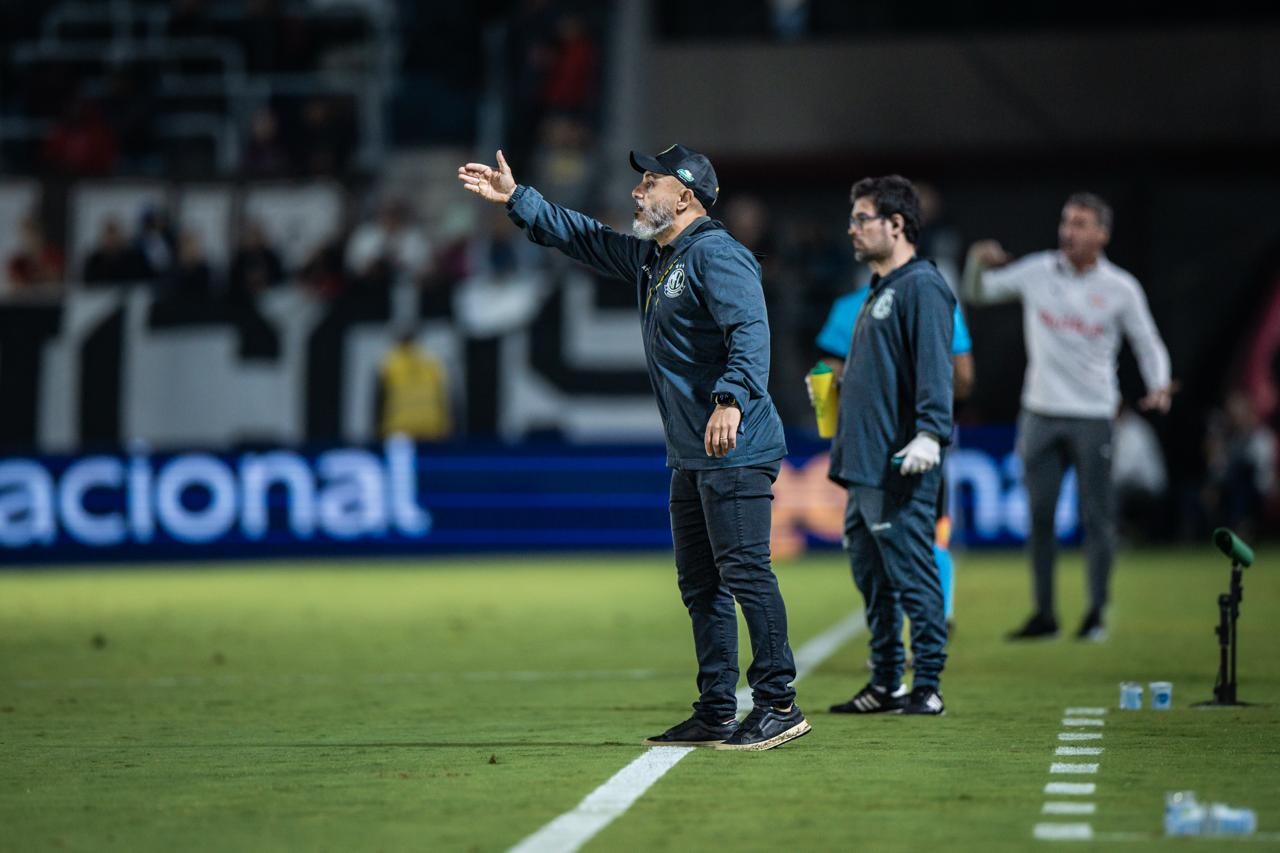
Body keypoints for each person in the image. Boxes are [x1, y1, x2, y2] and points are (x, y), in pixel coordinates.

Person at [458, 145, 808, 751]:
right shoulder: (659, 258)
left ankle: (779, 702)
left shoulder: (717, 255)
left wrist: (729, 399)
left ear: (688, 196)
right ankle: (717, 708)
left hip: (736, 442)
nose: (636, 192)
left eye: (650, 181)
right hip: (692, 451)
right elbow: (586, 238)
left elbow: (750, 330)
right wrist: (518, 199)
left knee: (746, 571)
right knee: (701, 585)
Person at [963, 192, 1174, 641]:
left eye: (1080, 224)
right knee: (1039, 517)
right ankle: (1045, 614)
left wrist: (1159, 382)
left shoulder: (1120, 287)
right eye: (1065, 221)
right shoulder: (1039, 271)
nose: (1068, 231)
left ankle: (1096, 611)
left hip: (1093, 414)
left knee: (1098, 517)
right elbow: (978, 291)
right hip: (1039, 411)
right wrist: (976, 261)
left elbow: (1147, 340)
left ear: (1102, 234)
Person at [822, 176, 955, 716]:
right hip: (863, 467)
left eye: (862, 218)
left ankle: (927, 685)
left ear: (896, 225)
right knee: (874, 582)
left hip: (895, 464)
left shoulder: (921, 285)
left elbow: (934, 366)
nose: (852, 229)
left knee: (913, 572)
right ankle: (884, 681)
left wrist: (930, 431)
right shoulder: (881, 289)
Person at [814, 265, 974, 634]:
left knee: (872, 539)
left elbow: (824, 377)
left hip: (863, 444)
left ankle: (890, 644)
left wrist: (834, 427)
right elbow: (964, 376)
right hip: (919, 434)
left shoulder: (848, 307)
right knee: (933, 529)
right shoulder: (936, 298)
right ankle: (937, 620)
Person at [376, 330, 453, 442]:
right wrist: (448, 424)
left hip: (399, 428)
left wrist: (378, 427)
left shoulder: (388, 363)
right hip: (431, 427)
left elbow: (380, 399)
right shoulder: (432, 362)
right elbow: (445, 397)